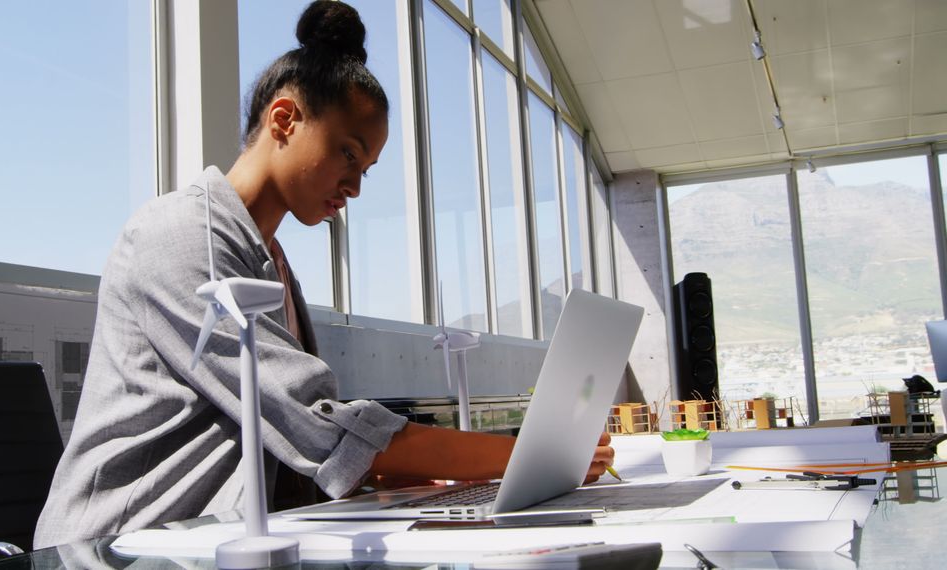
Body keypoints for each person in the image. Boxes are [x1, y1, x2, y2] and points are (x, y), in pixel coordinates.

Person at [34, 0, 613, 549]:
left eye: (367, 168)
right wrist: (519, 458)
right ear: (284, 119)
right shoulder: (180, 236)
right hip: (114, 545)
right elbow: (322, 429)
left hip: (215, 538)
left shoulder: (271, 263)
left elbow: (301, 444)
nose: (356, 186)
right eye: (349, 154)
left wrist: (414, 476)